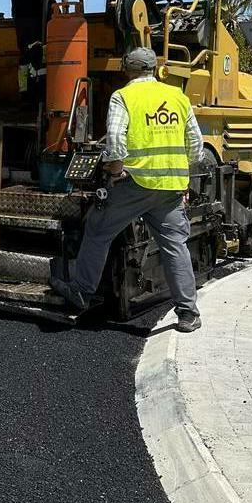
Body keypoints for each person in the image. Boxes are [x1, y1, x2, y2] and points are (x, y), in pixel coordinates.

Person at [50, 48, 204, 332]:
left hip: (135, 184)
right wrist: (181, 171)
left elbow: (116, 142)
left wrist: (116, 170)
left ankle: (81, 292)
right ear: (154, 68)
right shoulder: (178, 97)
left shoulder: (124, 96)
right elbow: (196, 145)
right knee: (174, 246)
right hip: (171, 186)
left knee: (97, 230)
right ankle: (188, 313)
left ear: (127, 70)